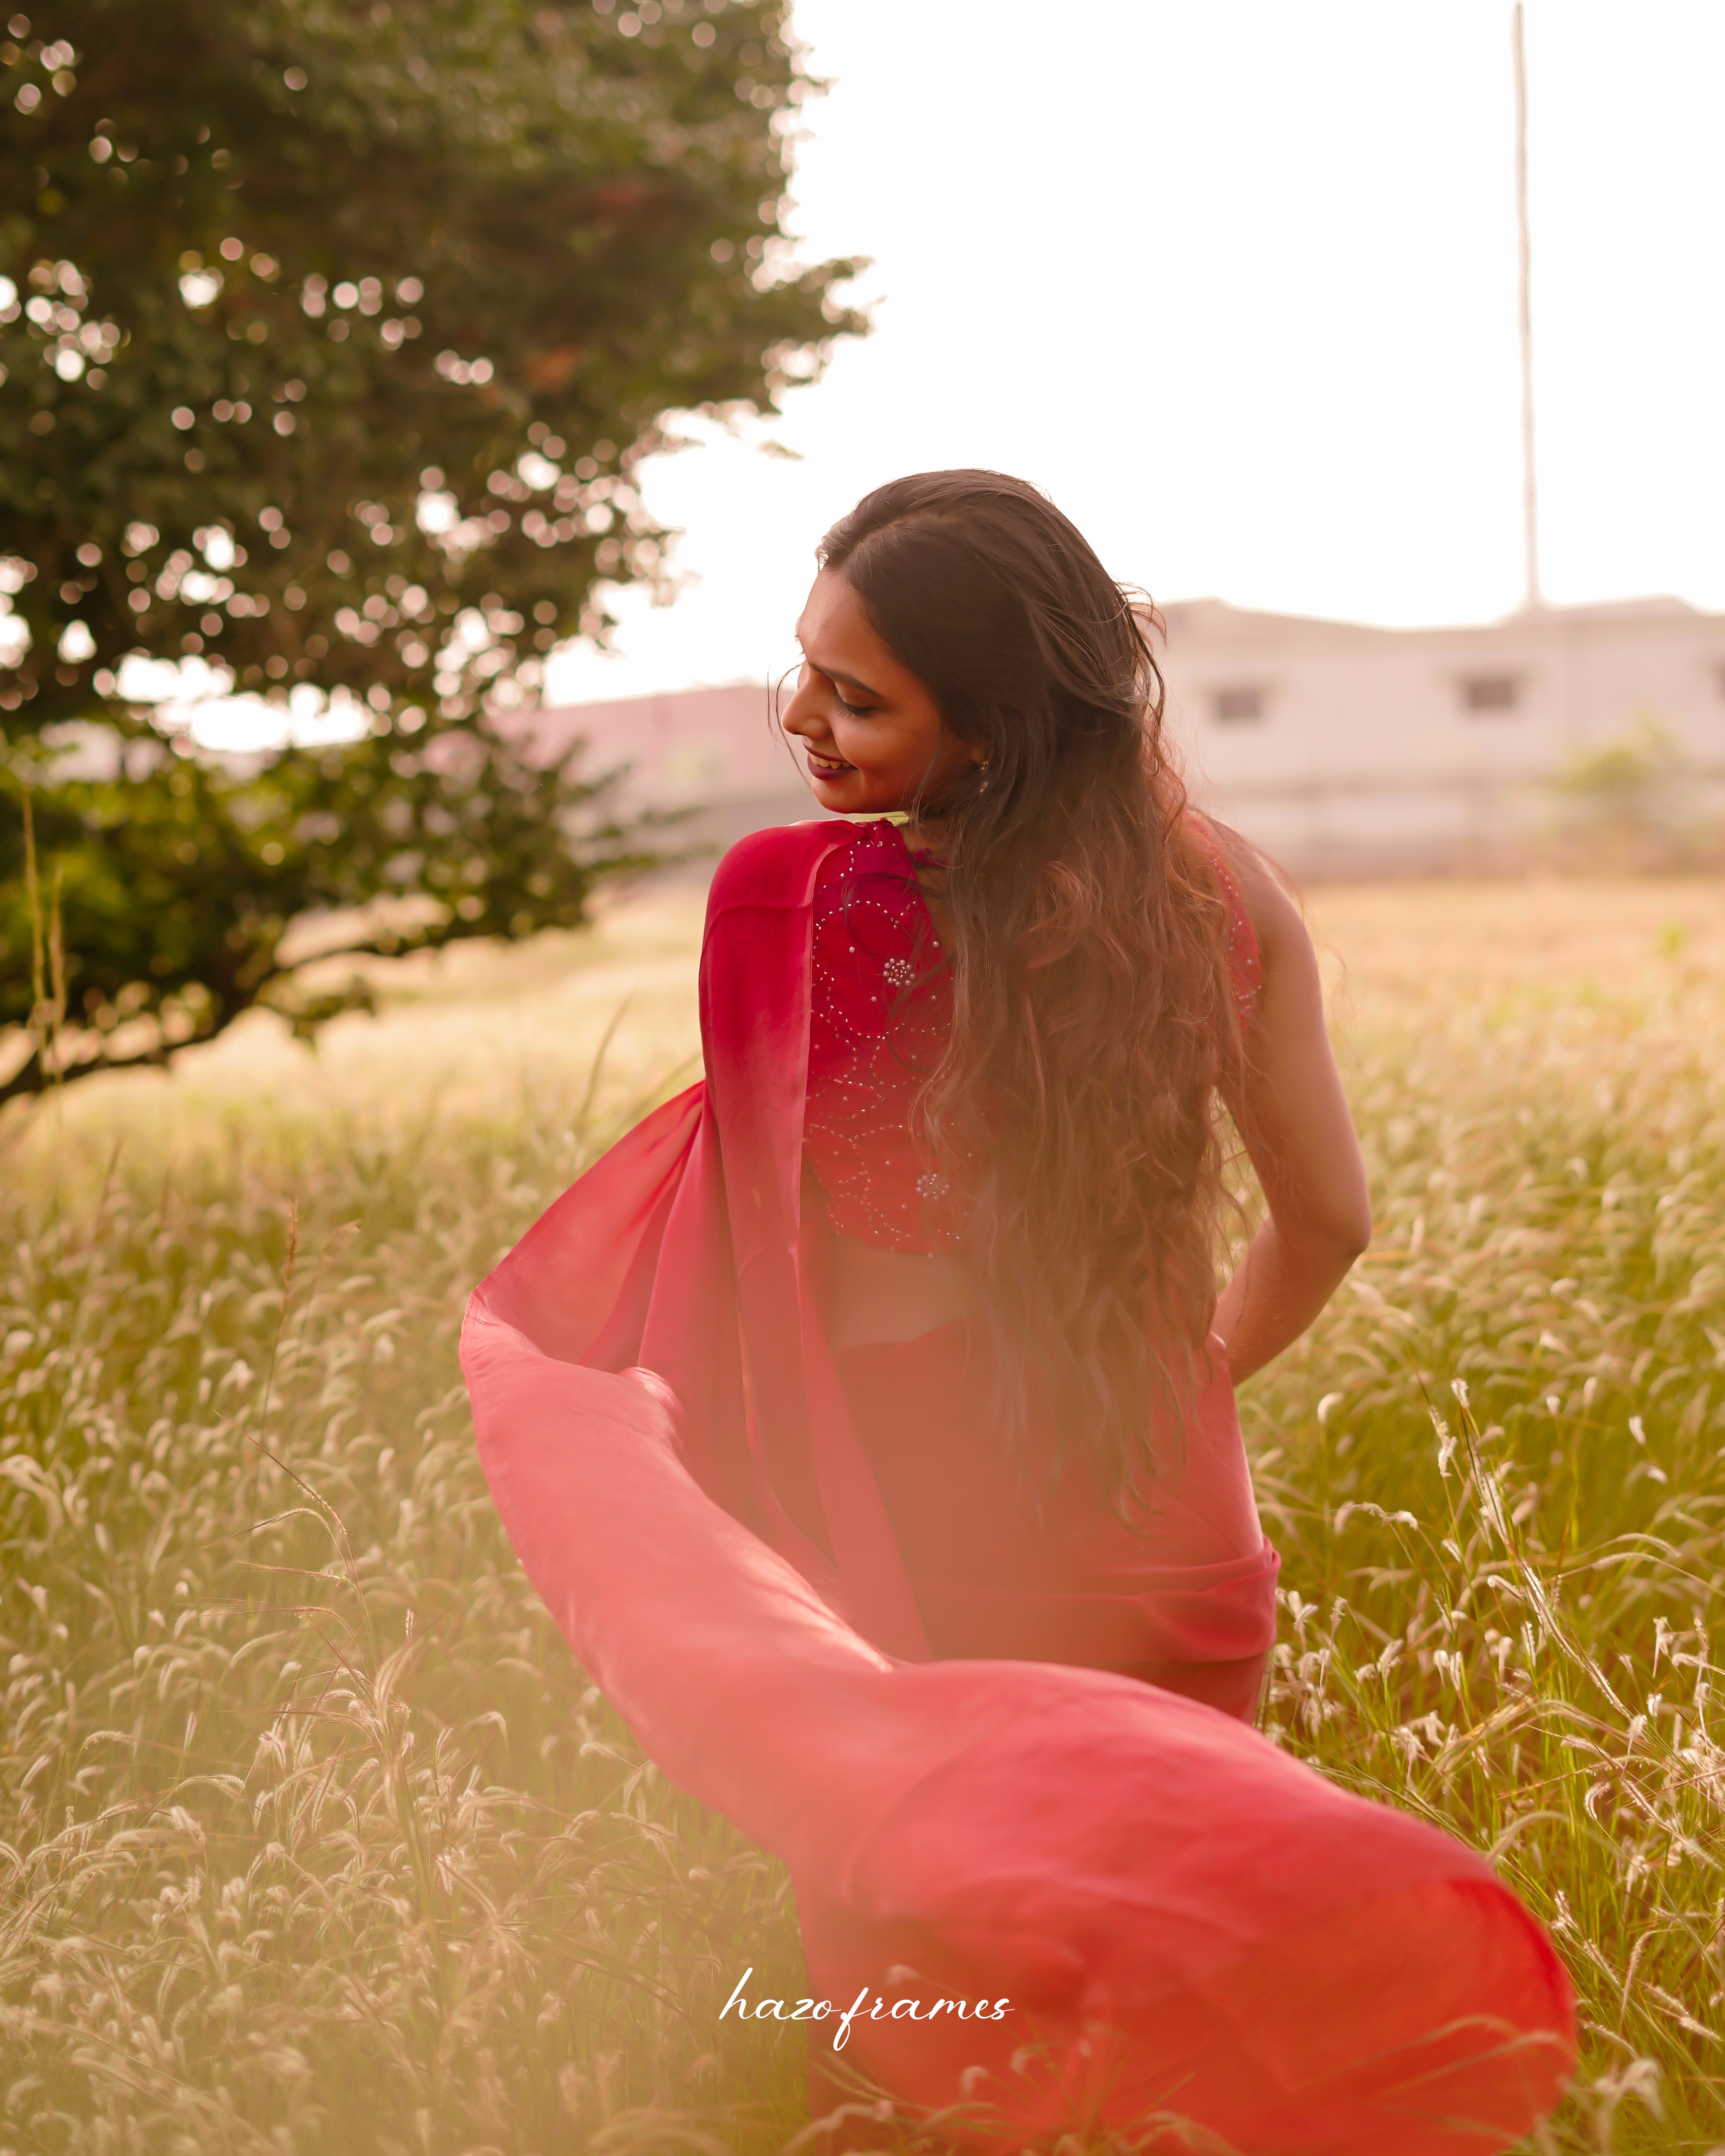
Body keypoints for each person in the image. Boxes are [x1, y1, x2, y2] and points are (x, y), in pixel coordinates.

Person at [461, 472, 1575, 2153]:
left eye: (856, 697)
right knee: (1176, 1993)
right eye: (802, 667)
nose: (799, 716)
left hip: (926, 1533)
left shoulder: (791, 902)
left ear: (988, 727)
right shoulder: (1231, 896)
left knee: (936, 2028)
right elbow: (1331, 1223)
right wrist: (1191, 1380)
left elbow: (763, 1244)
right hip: (1174, 1534)